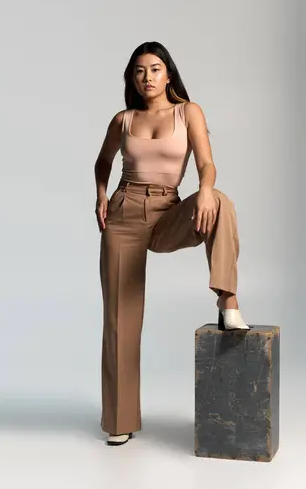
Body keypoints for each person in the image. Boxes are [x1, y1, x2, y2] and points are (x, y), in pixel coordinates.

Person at [94, 41, 249, 446]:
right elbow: (103, 161)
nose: (148, 77)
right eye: (140, 71)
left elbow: (206, 163)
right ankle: (119, 420)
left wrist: (205, 189)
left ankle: (227, 300)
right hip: (124, 215)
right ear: (132, 77)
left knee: (222, 203)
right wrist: (100, 194)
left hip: (167, 212)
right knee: (119, 320)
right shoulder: (123, 119)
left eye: (156, 69)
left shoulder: (188, 112)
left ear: (169, 74)